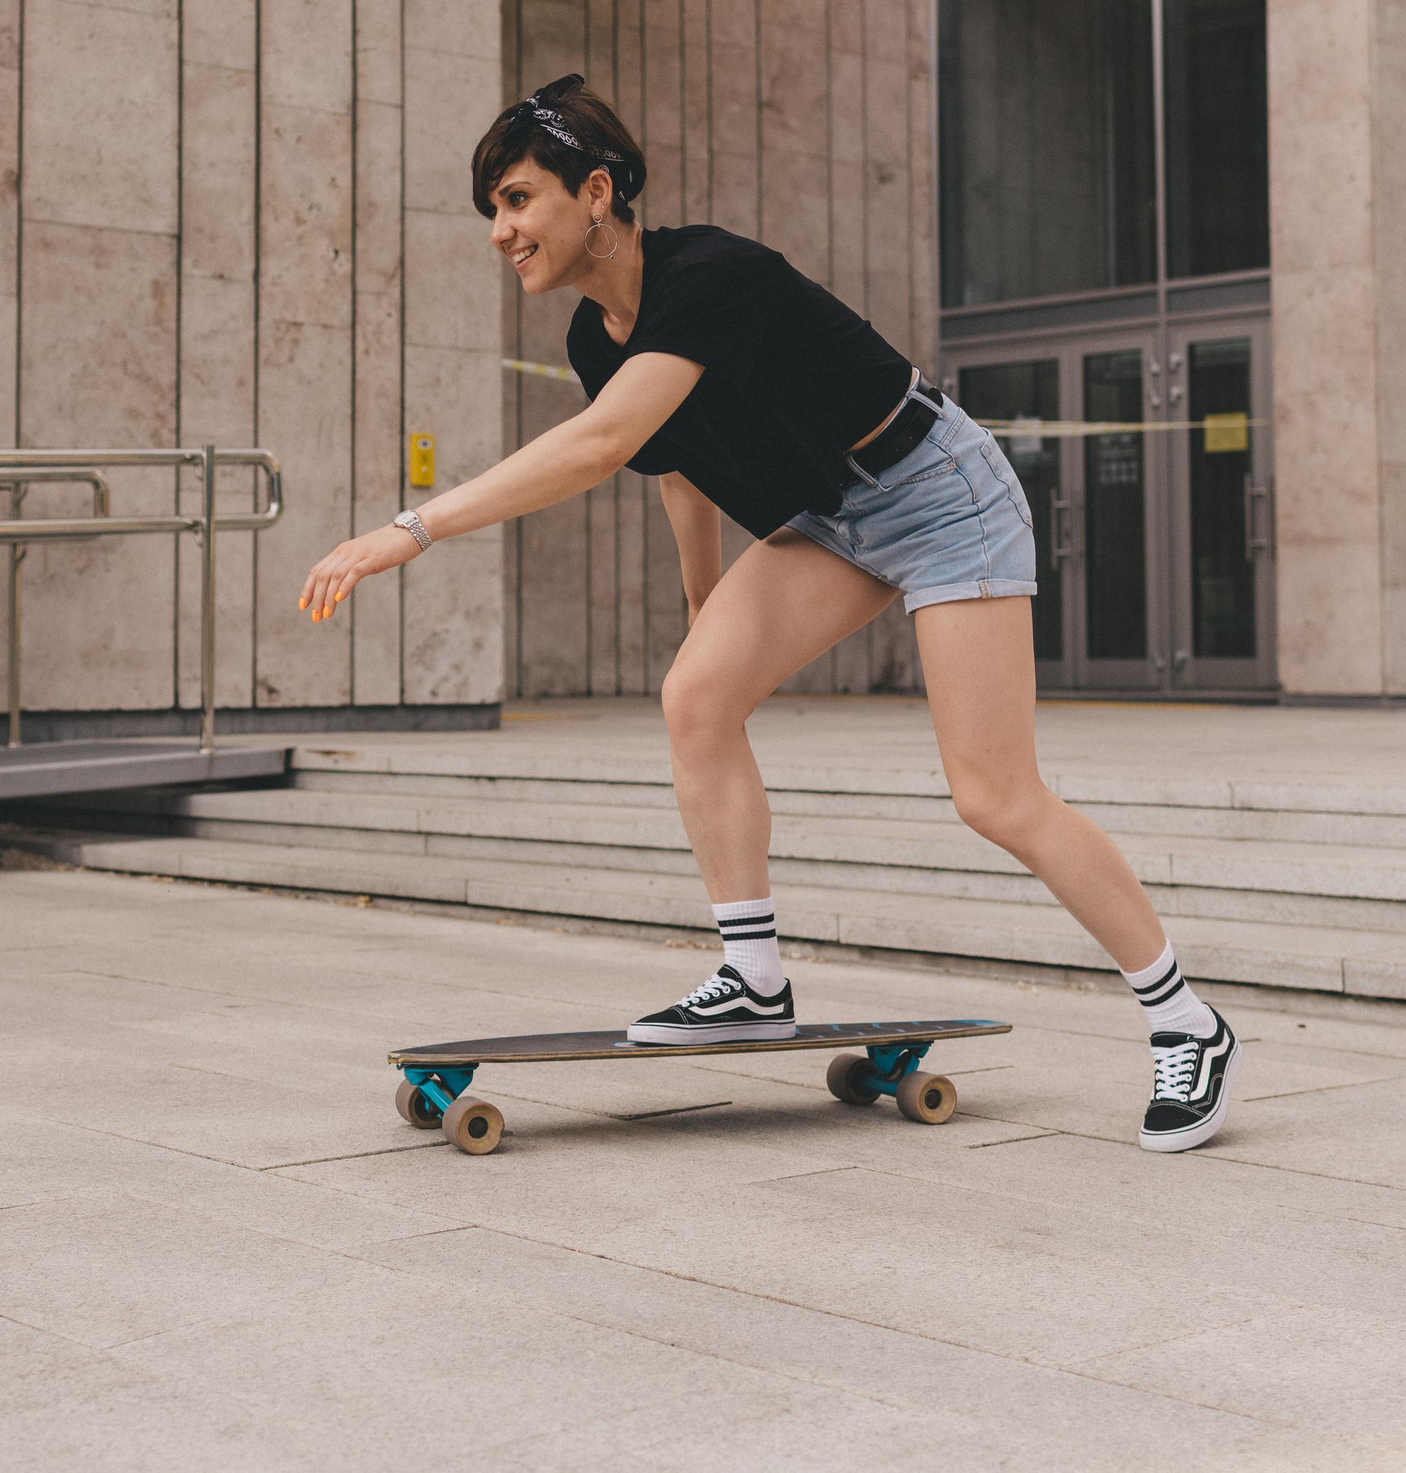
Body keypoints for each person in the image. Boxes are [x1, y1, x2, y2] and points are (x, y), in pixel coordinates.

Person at [298, 75, 1236, 1151]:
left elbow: (602, 446)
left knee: (994, 795)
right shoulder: (598, 338)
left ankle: (1184, 1019)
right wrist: (709, 611)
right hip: (830, 517)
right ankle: (751, 978)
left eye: (516, 201)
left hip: (938, 494)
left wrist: (408, 530)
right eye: (493, 212)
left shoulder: (711, 276)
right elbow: (673, 465)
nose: (501, 231)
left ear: (594, 192)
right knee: (697, 696)